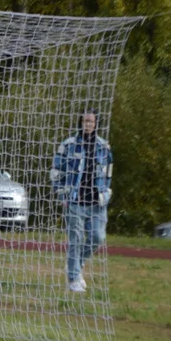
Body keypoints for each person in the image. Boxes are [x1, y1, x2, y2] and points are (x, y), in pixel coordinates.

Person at [51, 109, 113, 293]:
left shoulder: (104, 147)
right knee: (75, 240)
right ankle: (73, 279)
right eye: (84, 121)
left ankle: (78, 264)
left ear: (95, 124)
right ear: (80, 122)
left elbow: (108, 174)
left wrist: (105, 194)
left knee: (97, 237)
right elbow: (56, 171)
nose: (87, 124)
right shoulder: (68, 145)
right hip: (75, 201)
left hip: (97, 203)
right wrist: (62, 195)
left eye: (91, 121)